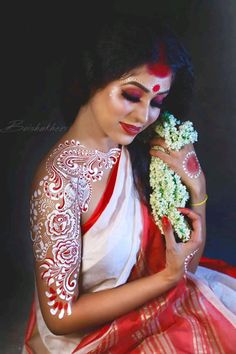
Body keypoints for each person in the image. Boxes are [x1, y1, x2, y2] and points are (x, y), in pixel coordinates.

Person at [22, 12, 236, 354]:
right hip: (94, 336)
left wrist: (198, 191)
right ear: (92, 79)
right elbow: (61, 317)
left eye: (157, 102)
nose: (144, 116)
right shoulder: (59, 184)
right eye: (132, 96)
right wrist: (165, 279)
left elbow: (185, 267)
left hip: (157, 303)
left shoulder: (141, 150)